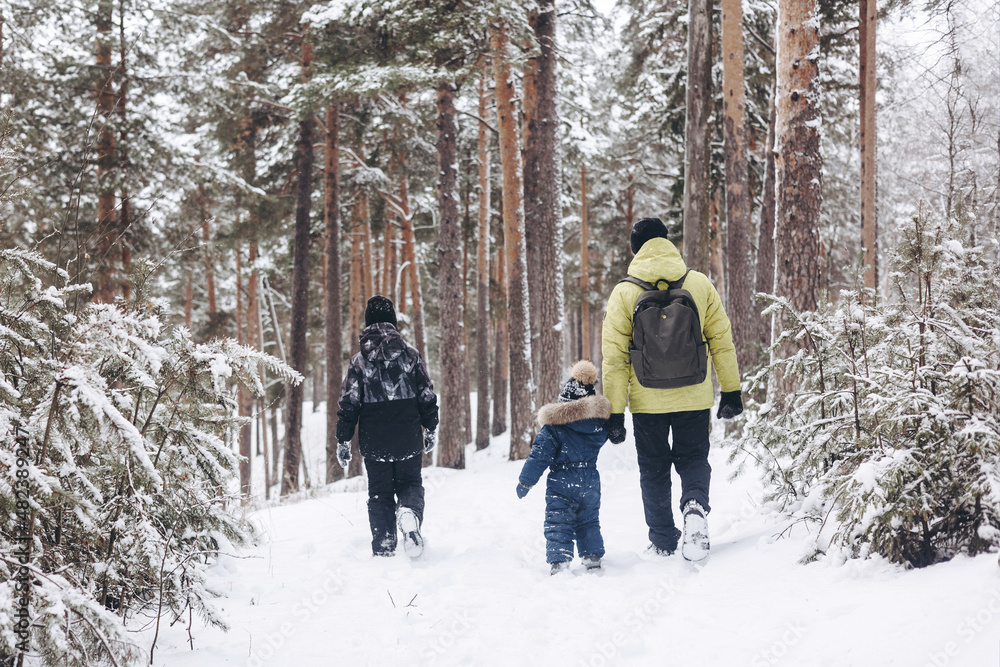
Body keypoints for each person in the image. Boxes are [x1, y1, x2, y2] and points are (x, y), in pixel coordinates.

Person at [601, 218, 743, 561]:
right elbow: (722, 342)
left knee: (653, 468)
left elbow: (615, 360)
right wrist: (731, 390)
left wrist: (615, 412)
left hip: (646, 401)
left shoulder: (623, 292)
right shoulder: (698, 283)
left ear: (635, 249)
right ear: (668, 242)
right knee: (693, 457)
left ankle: (663, 539)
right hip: (694, 393)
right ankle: (694, 507)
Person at [335, 295, 439, 558]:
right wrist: (431, 427)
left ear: (368, 323)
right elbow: (426, 394)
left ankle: (383, 545)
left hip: (374, 439)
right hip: (408, 435)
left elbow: (349, 403)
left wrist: (343, 439)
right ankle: (408, 513)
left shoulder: (359, 362)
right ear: (393, 322)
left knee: (380, 492)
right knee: (411, 483)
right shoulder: (411, 355)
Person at [516, 361, 612, 575]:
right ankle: (592, 556)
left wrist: (526, 481)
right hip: (590, 481)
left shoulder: (554, 429)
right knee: (589, 520)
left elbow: (538, 457)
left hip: (562, 483)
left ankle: (559, 562)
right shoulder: (597, 427)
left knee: (559, 520)